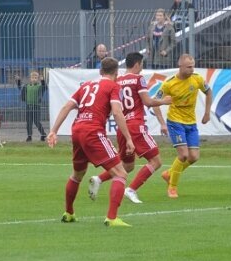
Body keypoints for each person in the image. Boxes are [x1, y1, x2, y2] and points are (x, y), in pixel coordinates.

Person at [47, 57, 135, 227]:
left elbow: (66, 107)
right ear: (116, 73)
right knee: (121, 173)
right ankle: (112, 218)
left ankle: (69, 213)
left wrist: (53, 131)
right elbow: (117, 112)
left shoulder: (86, 85)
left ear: (100, 71)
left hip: (77, 130)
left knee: (77, 174)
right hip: (93, 130)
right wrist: (129, 138)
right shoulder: (113, 86)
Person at [89, 52, 171, 204]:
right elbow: (147, 102)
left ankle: (98, 179)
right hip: (135, 125)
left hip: (123, 128)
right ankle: (131, 189)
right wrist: (164, 101)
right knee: (156, 161)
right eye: (141, 65)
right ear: (137, 64)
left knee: (127, 165)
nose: (141, 68)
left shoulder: (117, 80)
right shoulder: (139, 79)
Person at [158, 54, 211, 198]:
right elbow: (155, 101)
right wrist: (162, 123)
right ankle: (172, 187)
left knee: (193, 157)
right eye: (189, 67)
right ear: (180, 66)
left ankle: (169, 173)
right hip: (175, 122)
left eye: (193, 66)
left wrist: (207, 113)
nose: (192, 69)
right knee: (183, 155)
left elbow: (209, 91)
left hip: (191, 123)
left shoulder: (197, 78)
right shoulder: (169, 83)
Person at [17, 71, 47, 142]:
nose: (34, 79)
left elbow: (44, 87)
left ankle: (43, 134)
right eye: (32, 77)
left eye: (36, 77)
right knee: (29, 122)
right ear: (30, 78)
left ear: (38, 79)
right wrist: (18, 80)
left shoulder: (39, 86)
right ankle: (29, 136)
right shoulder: (27, 86)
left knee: (37, 121)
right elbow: (19, 87)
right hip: (28, 105)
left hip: (36, 106)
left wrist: (42, 80)